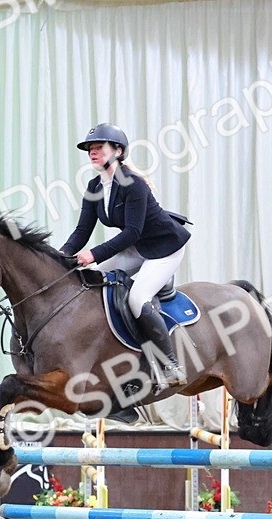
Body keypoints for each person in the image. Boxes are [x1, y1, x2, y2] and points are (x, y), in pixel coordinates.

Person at [60, 123, 190, 387]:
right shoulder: (94, 187)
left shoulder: (133, 184)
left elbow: (132, 232)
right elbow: (82, 230)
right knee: (90, 282)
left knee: (137, 298)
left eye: (99, 147)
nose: (92, 152)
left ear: (118, 151)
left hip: (165, 248)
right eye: (90, 148)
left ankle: (170, 366)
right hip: (138, 248)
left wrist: (93, 254)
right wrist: (60, 257)